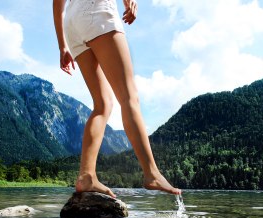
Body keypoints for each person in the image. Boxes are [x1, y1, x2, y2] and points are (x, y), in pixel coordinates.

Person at [53, 0, 181, 197]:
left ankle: (86, 177)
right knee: (129, 97)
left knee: (102, 104)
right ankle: (151, 173)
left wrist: (62, 45)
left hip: (72, 23)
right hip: (97, 10)